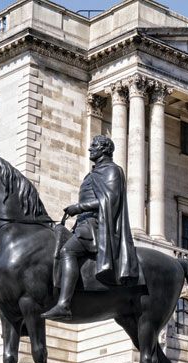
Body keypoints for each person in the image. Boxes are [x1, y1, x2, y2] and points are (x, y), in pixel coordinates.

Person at [42, 135, 139, 320]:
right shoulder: (94, 173)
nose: (90, 149)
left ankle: (64, 305)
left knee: (67, 252)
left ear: (104, 149)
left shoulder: (112, 171)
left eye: (94, 146)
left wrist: (78, 207)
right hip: (83, 224)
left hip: (97, 226)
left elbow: (110, 200)